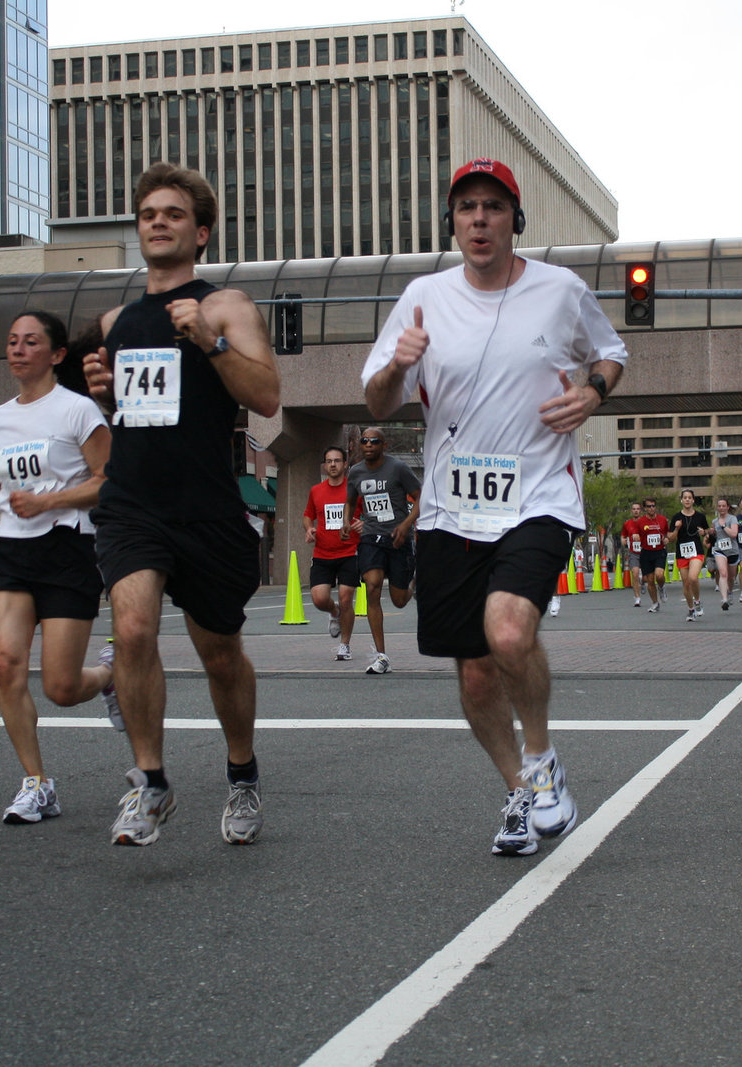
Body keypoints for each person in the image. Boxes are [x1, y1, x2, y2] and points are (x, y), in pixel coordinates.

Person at [360, 156, 627, 856]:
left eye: (493, 206)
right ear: (453, 223)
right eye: (467, 208)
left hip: (538, 495)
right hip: (452, 510)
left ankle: (541, 759)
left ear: (515, 219)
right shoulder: (423, 296)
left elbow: (611, 350)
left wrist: (594, 391)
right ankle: (520, 788)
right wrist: (398, 362)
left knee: (508, 633)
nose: (480, 219)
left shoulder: (560, 290)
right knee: (476, 670)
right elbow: (377, 401)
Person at [81, 161, 281, 846]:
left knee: (220, 653)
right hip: (134, 502)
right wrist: (103, 388)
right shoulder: (115, 319)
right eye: (147, 214)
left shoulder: (226, 306)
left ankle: (242, 773)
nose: (157, 222)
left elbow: (266, 397)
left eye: (172, 214)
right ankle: (151, 784)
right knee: (132, 629)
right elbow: (134, 413)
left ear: (200, 232)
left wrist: (211, 340)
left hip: (207, 506)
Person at [0, 310, 118, 823]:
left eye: (30, 342)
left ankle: (107, 675)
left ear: (56, 354)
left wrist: (53, 501)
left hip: (68, 550)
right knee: (6, 664)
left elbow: (109, 479)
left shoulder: (78, 411)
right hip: (13, 551)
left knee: (61, 687)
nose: (17, 349)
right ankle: (36, 783)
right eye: (12, 341)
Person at [343, 427, 420, 675]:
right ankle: (382, 655)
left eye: (374, 441)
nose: (368, 444)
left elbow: (422, 497)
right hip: (371, 535)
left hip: (398, 537)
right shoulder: (355, 472)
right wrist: (347, 520)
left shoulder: (398, 468)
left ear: (383, 445)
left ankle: (413, 585)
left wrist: (406, 525)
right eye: (364, 441)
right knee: (372, 584)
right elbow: (350, 501)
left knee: (398, 600)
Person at [303, 445, 360, 661]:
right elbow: (307, 515)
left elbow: (367, 515)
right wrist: (308, 528)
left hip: (348, 552)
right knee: (319, 599)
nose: (333, 464)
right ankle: (334, 613)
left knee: (346, 600)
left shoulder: (354, 489)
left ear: (345, 464)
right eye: (329, 461)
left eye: (337, 460)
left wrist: (361, 524)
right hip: (322, 553)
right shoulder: (316, 491)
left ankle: (344, 645)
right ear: (325, 465)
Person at [669, 489, 709, 621]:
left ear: (693, 500)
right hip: (682, 553)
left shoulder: (700, 516)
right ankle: (691, 610)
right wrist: (676, 528)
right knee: (686, 584)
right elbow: (671, 538)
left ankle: (697, 601)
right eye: (684, 497)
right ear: (681, 500)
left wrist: (704, 533)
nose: (687, 500)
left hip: (696, 551)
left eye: (689, 497)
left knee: (693, 578)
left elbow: (707, 531)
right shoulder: (676, 517)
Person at [708, 497, 741, 609]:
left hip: (732, 551)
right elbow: (714, 537)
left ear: (727, 507)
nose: (721, 508)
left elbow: (734, 534)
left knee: (731, 577)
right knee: (723, 573)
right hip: (720, 550)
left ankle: (730, 591)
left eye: (723, 506)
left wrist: (723, 526)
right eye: (719, 506)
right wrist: (711, 533)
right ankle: (724, 599)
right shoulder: (714, 521)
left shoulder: (732, 519)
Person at [638, 497, 669, 612]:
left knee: (659, 575)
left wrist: (667, 539)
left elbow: (667, 534)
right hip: (646, 552)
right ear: (645, 508)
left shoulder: (662, 520)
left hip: (659, 551)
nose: (651, 508)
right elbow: (635, 534)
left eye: (653, 506)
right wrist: (635, 537)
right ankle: (655, 603)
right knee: (650, 580)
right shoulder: (640, 522)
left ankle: (661, 587)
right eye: (649, 506)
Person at [619, 502, 645, 608]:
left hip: (645, 551)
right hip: (633, 552)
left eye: (638, 509)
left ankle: (643, 582)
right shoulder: (627, 523)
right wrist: (623, 540)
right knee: (635, 574)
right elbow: (623, 535)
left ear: (640, 511)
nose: (636, 511)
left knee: (647, 577)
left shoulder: (645, 522)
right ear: (631, 511)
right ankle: (637, 598)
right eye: (634, 509)